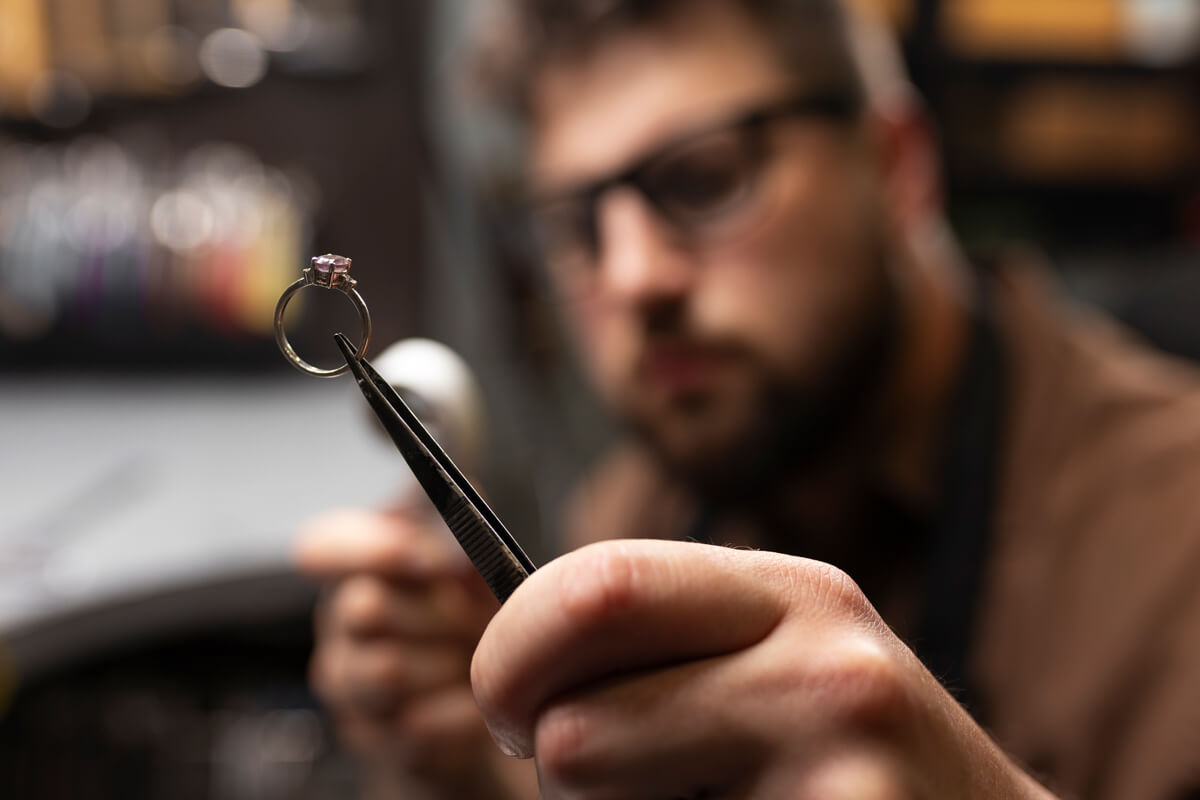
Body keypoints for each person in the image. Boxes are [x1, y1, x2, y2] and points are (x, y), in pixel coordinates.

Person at [295, 1, 1200, 797]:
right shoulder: (634, 511)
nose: (635, 276)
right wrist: (477, 772)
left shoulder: (1173, 543)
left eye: (703, 177)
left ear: (896, 164)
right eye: (576, 228)